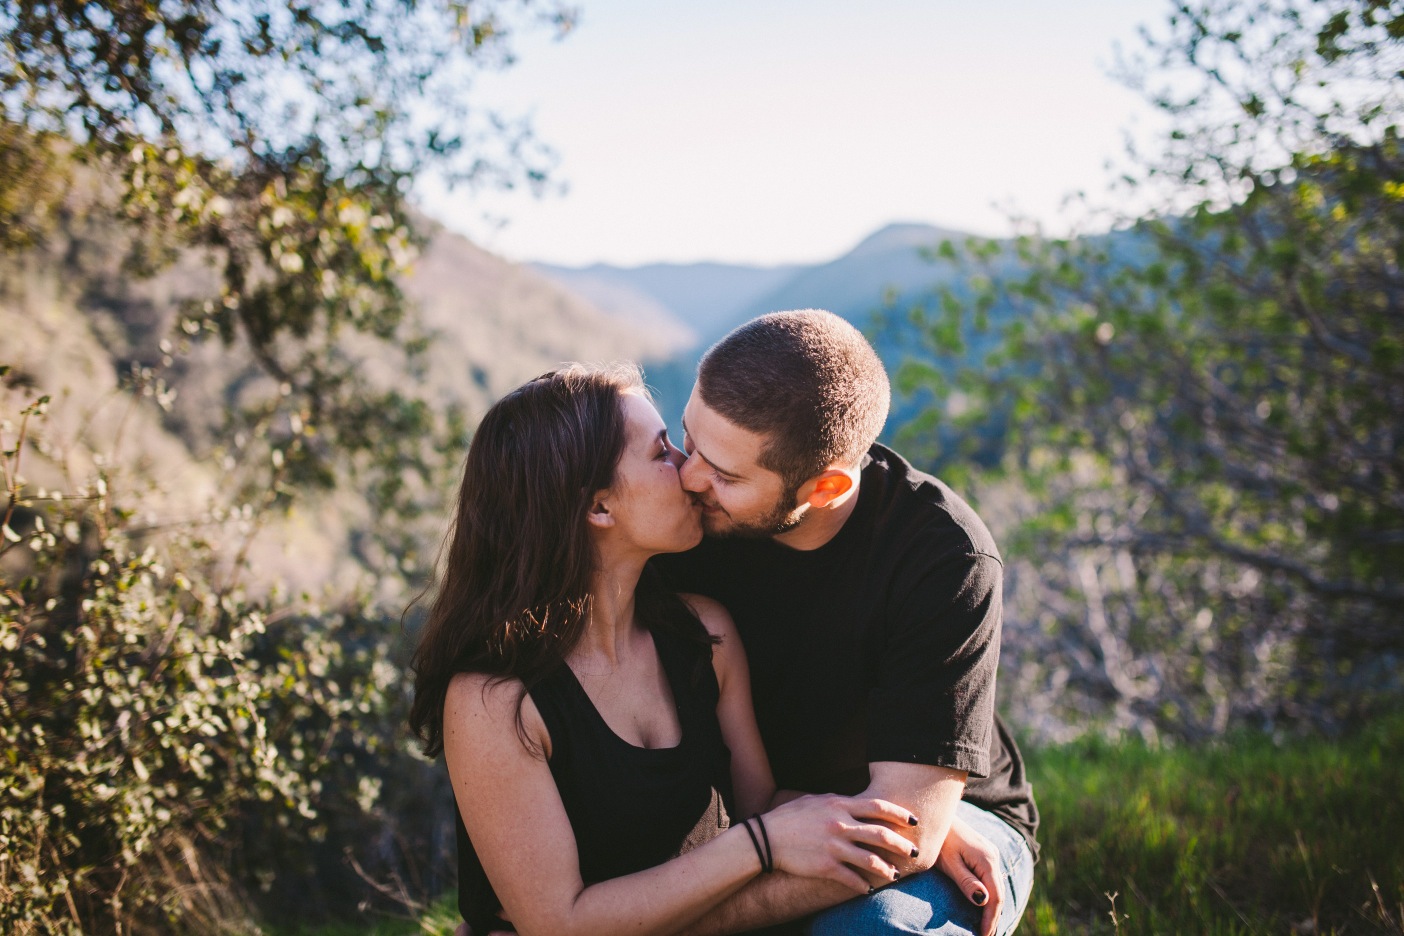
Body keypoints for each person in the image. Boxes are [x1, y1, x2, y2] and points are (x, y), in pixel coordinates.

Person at [410, 363, 920, 936]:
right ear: (599, 508)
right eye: (661, 454)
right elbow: (559, 923)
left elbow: (760, 800)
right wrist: (760, 847)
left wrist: (891, 825)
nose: (690, 472)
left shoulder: (705, 635)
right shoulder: (495, 699)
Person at [651, 309, 1039, 936]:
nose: (690, 478)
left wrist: (647, 926)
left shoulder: (942, 556)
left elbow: (903, 839)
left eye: (724, 474)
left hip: (956, 813)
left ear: (826, 488)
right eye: (687, 440)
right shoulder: (686, 521)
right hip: (765, 813)